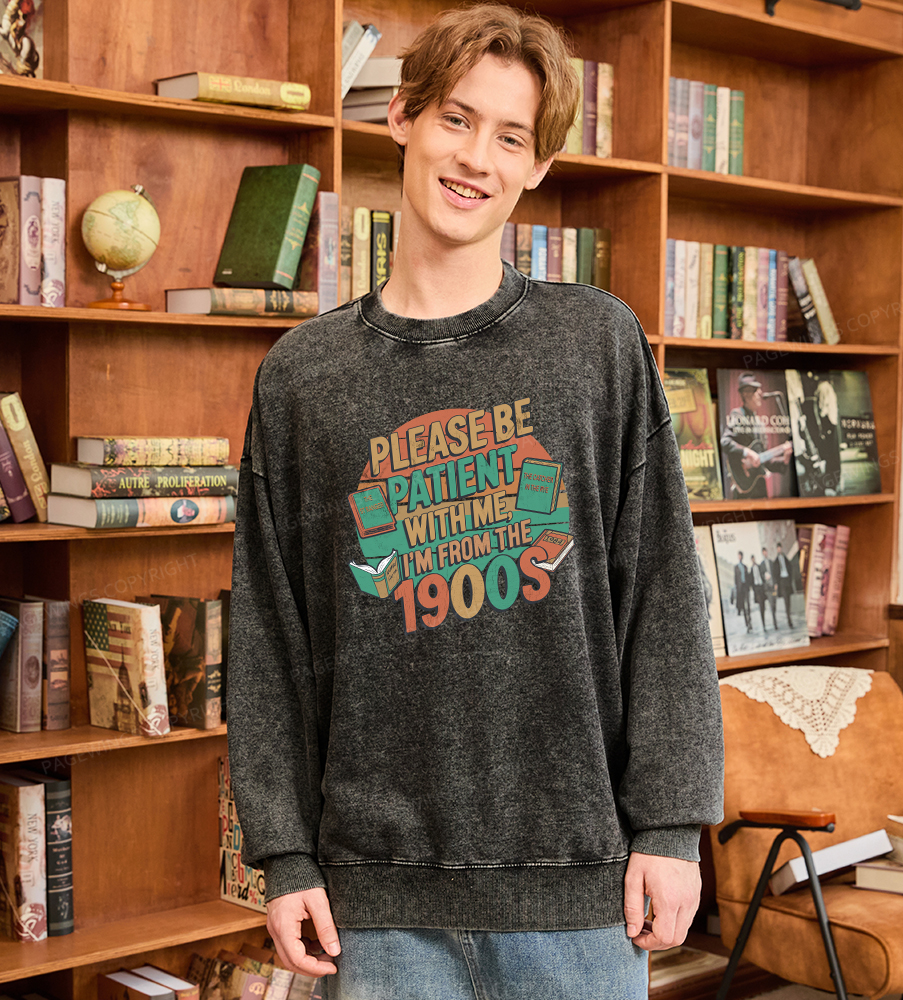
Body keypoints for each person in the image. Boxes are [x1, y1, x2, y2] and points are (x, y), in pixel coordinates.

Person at [226, 6, 724, 998]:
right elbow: (269, 639)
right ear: (402, 117)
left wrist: (671, 827)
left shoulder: (595, 346)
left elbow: (665, 599)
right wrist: (282, 853)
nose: (475, 158)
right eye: (456, 119)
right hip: (376, 903)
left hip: (580, 893)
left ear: (538, 166)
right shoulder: (303, 377)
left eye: (510, 137)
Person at [719, 371, 793, 500]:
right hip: (743, 487)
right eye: (755, 390)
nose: (760, 393)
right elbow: (725, 442)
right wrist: (747, 452)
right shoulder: (738, 415)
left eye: (759, 389)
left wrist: (784, 459)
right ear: (745, 394)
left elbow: (764, 460)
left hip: (759, 487)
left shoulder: (760, 422)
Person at [772, 540, 795, 627]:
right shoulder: (775, 562)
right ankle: (789, 620)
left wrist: (790, 579)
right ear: (777, 549)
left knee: (789, 600)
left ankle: (789, 616)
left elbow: (790, 568)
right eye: (778, 548)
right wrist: (776, 583)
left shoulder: (785, 559)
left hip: (787, 580)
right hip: (782, 582)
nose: (779, 549)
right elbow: (775, 574)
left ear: (781, 548)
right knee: (786, 600)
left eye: (780, 548)